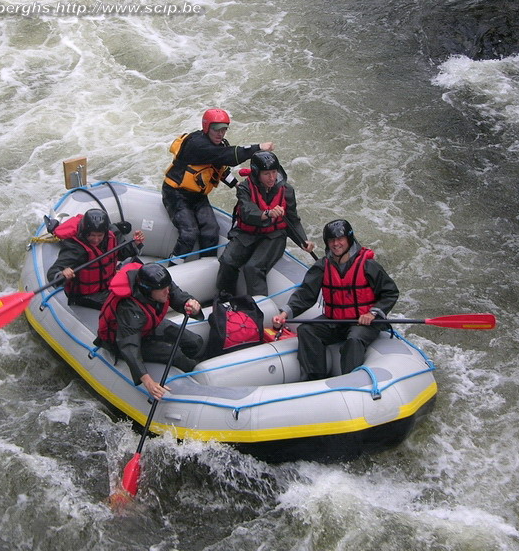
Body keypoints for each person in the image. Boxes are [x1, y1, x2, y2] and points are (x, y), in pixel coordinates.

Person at [272, 219, 399, 380]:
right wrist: (285, 313)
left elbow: (390, 292)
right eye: (331, 240)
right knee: (306, 330)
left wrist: (373, 313)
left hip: (363, 322)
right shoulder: (323, 265)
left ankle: (349, 382)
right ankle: (316, 378)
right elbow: (306, 294)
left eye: (340, 239)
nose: (336, 244)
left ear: (349, 239)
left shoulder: (368, 265)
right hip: (336, 320)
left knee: (353, 340)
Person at [162, 108, 274, 264]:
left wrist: (237, 185)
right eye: (216, 129)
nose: (220, 133)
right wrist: (258, 147)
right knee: (189, 233)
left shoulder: (217, 146)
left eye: (224, 129)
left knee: (211, 230)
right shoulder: (198, 145)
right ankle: (171, 268)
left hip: (197, 196)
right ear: (207, 127)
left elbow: (220, 170)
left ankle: (205, 266)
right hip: (176, 194)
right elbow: (230, 156)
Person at [97, 262, 205, 400]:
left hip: (149, 327)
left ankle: (190, 368)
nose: (168, 291)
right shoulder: (130, 309)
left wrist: (190, 304)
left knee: (195, 341)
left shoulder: (161, 286)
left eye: (168, 287)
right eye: (163, 290)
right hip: (125, 340)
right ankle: (193, 376)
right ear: (148, 290)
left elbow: (178, 295)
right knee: (175, 354)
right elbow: (129, 346)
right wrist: (148, 382)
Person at [216, 151, 316, 296]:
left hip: (273, 236)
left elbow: (293, 220)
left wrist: (303, 241)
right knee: (227, 261)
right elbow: (247, 212)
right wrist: (267, 213)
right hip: (247, 233)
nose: (272, 178)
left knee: (253, 268)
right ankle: (225, 298)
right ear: (257, 174)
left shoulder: (287, 191)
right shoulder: (244, 188)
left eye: (274, 172)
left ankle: (257, 308)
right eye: (266, 174)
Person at [46, 208, 144, 309]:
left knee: (139, 268)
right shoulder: (75, 248)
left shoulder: (111, 236)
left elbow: (121, 254)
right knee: (127, 302)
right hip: (86, 295)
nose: (96, 239)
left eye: (99, 235)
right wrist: (62, 274)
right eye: (92, 235)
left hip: (108, 284)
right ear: (85, 232)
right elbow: (53, 272)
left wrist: (135, 244)